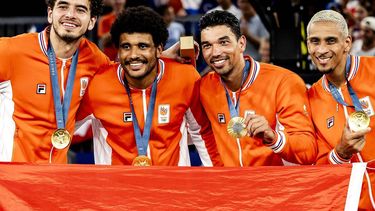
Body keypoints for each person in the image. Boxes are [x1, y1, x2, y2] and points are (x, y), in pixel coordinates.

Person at [75, 6, 222, 166]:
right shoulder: (98, 85)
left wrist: (218, 180)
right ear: (118, 51)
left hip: (172, 188)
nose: (133, 55)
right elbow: (61, 128)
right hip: (117, 189)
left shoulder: (184, 78)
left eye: (143, 46)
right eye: (126, 47)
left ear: (159, 49)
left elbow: (202, 132)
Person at [198, 10, 317, 167]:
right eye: (207, 46)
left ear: (241, 43)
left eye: (223, 42)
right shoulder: (204, 87)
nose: (216, 52)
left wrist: (273, 137)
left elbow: (308, 151)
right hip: (230, 188)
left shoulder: (284, 82)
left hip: (273, 188)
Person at [0, 0, 111, 163]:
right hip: (11, 179)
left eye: (80, 10)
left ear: (92, 21)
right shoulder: (13, 51)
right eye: (63, 7)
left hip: (55, 179)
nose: (70, 15)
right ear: (50, 14)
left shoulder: (96, 61)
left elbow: (128, 75)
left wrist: (161, 58)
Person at [306, 10, 374, 210]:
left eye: (330, 41)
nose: (321, 49)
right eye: (315, 41)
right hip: (354, 203)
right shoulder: (311, 98)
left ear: (347, 43)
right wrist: (341, 153)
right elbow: (319, 171)